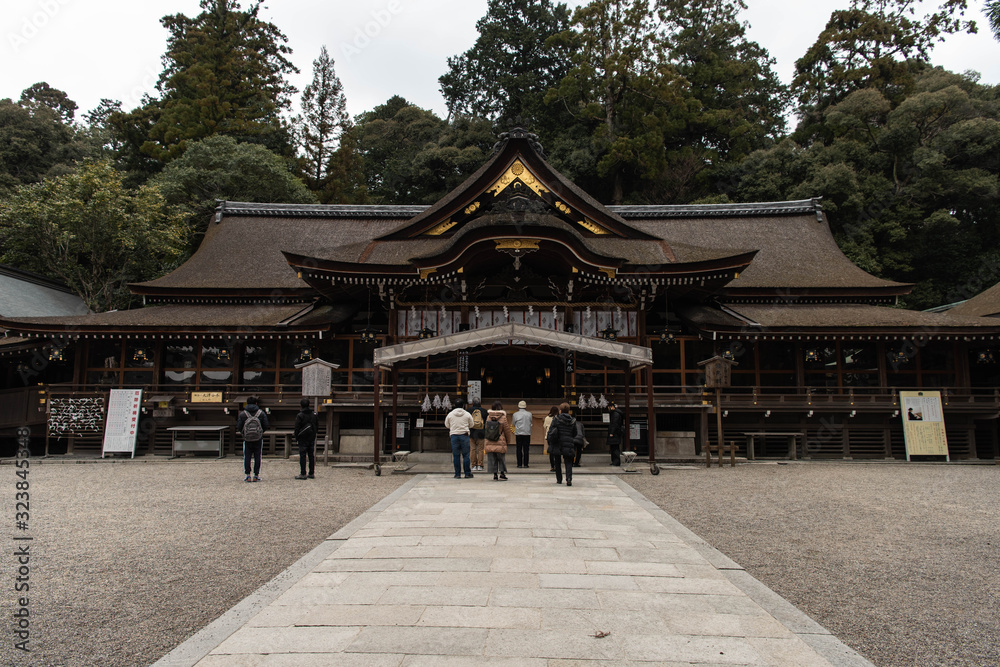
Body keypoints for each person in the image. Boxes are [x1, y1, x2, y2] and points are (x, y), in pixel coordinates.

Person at [237, 396, 269, 482]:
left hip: (247, 439)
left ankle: (247, 475)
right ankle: (256, 475)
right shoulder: (261, 413)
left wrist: (244, 433)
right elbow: (266, 425)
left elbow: (239, 426)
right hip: (258, 438)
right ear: (256, 403)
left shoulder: (243, 414)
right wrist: (260, 432)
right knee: (257, 456)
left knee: (247, 456)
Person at [547, 402, 579, 486]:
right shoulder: (572, 420)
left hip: (558, 442)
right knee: (568, 462)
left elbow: (551, 430)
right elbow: (575, 432)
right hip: (568, 441)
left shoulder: (556, 419)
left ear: (560, 410)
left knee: (557, 461)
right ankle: (569, 479)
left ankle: (559, 479)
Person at [445, 398, 475, 478]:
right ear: (463, 405)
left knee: (456, 455)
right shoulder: (467, 414)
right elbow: (472, 424)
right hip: (464, 435)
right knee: (466, 455)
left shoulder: (450, 414)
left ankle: (457, 474)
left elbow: (447, 425)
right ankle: (467, 473)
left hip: (454, 435)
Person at [485, 400, 513, 481]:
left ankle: (494, 474)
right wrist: (508, 440)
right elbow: (507, 430)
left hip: (490, 440)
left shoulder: (488, 417)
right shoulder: (503, 417)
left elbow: (486, 429)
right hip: (500, 440)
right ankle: (502, 473)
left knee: (492, 458)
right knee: (501, 458)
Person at [293, 398, 318, 480]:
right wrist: (314, 433)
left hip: (302, 437)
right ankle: (311, 472)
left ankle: (303, 473)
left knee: (303, 455)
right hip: (311, 436)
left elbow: (297, 427)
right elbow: (316, 426)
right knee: (311, 455)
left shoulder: (300, 415)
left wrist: (296, 436)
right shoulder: (314, 414)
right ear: (309, 405)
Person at [468, 398, 488, 471]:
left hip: (472, 431)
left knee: (472, 449)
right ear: (480, 402)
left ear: (473, 403)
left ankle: (473, 465)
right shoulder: (484, 411)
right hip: (481, 432)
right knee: (480, 449)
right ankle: (480, 465)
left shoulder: (469, 411)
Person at [512, 400, 533, 468]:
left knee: (519, 448)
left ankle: (519, 464)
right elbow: (531, 422)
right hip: (527, 432)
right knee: (526, 449)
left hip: (518, 432)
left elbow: (513, 423)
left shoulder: (515, 414)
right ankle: (526, 464)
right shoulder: (529, 414)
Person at [607, 401, 624, 467]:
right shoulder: (616, 413)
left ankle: (616, 461)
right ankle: (614, 461)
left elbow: (614, 424)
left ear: (612, 407)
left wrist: (612, 432)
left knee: (615, 448)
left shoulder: (615, 414)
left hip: (615, 433)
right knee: (614, 447)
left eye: (609, 407)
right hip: (616, 433)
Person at [542, 406, 558, 472]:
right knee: (556, 451)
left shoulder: (547, 418)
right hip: (556, 435)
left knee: (551, 451)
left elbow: (544, 426)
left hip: (549, 436)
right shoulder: (557, 418)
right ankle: (556, 465)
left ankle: (552, 465)